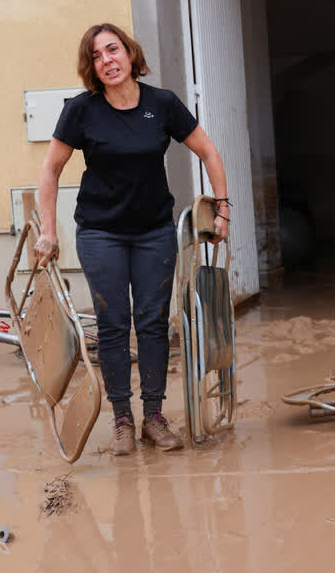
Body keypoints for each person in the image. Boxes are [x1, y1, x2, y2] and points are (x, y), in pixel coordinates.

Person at [36, 23, 230, 456]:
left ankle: (155, 418)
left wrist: (223, 208)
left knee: (153, 323)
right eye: (97, 55)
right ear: (92, 67)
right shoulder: (81, 110)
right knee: (113, 323)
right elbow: (50, 169)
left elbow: (208, 151)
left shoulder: (162, 104)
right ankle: (122, 419)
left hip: (153, 231)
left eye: (113, 49)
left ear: (129, 53)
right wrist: (49, 231)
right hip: (100, 231)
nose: (108, 60)